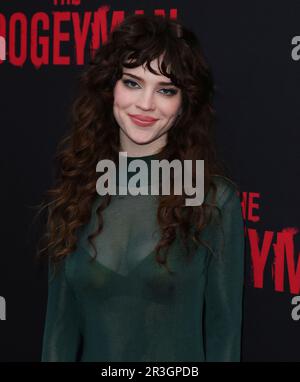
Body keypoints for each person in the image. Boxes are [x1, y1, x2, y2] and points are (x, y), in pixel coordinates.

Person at [37, 14, 245, 362]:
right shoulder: (77, 191)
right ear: (110, 88)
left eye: (166, 90)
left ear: (184, 103)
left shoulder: (209, 198)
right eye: (132, 82)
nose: (146, 104)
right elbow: (58, 332)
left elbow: (225, 334)